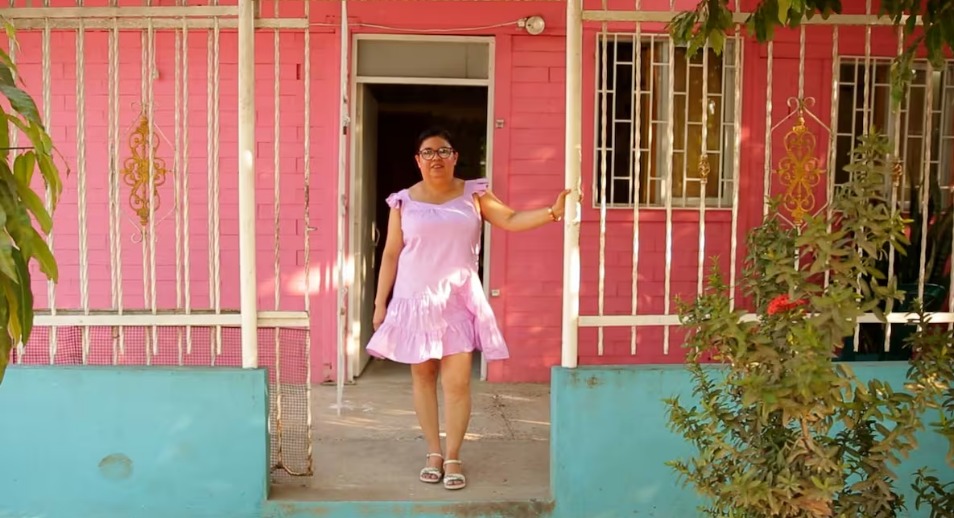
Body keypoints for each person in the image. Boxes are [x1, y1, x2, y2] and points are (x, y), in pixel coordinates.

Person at [366, 126, 572, 490]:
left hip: (457, 299)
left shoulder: (473, 194)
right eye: (428, 153)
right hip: (415, 301)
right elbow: (391, 254)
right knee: (423, 377)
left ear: (455, 156)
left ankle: (455, 453)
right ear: (418, 160)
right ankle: (433, 452)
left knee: (457, 383)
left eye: (443, 151)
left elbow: (509, 219)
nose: (436, 159)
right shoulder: (403, 202)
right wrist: (380, 304)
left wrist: (552, 213)